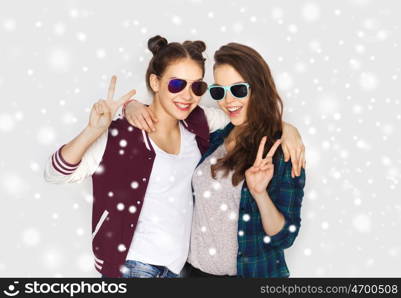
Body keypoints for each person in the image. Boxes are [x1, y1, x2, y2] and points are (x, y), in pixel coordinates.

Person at [44, 35, 304, 278]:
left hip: (181, 270)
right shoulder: (122, 134)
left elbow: (246, 114)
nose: (187, 95)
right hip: (135, 266)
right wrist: (96, 129)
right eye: (177, 84)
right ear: (155, 82)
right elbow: (55, 173)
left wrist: (287, 129)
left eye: (198, 86)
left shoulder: (199, 127)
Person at [126, 42, 306, 278]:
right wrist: (131, 106)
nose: (228, 100)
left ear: (259, 88)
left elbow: (284, 237)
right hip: (192, 274)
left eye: (239, 90)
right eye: (219, 91)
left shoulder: (280, 151)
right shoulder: (215, 135)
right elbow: (167, 110)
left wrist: (260, 194)